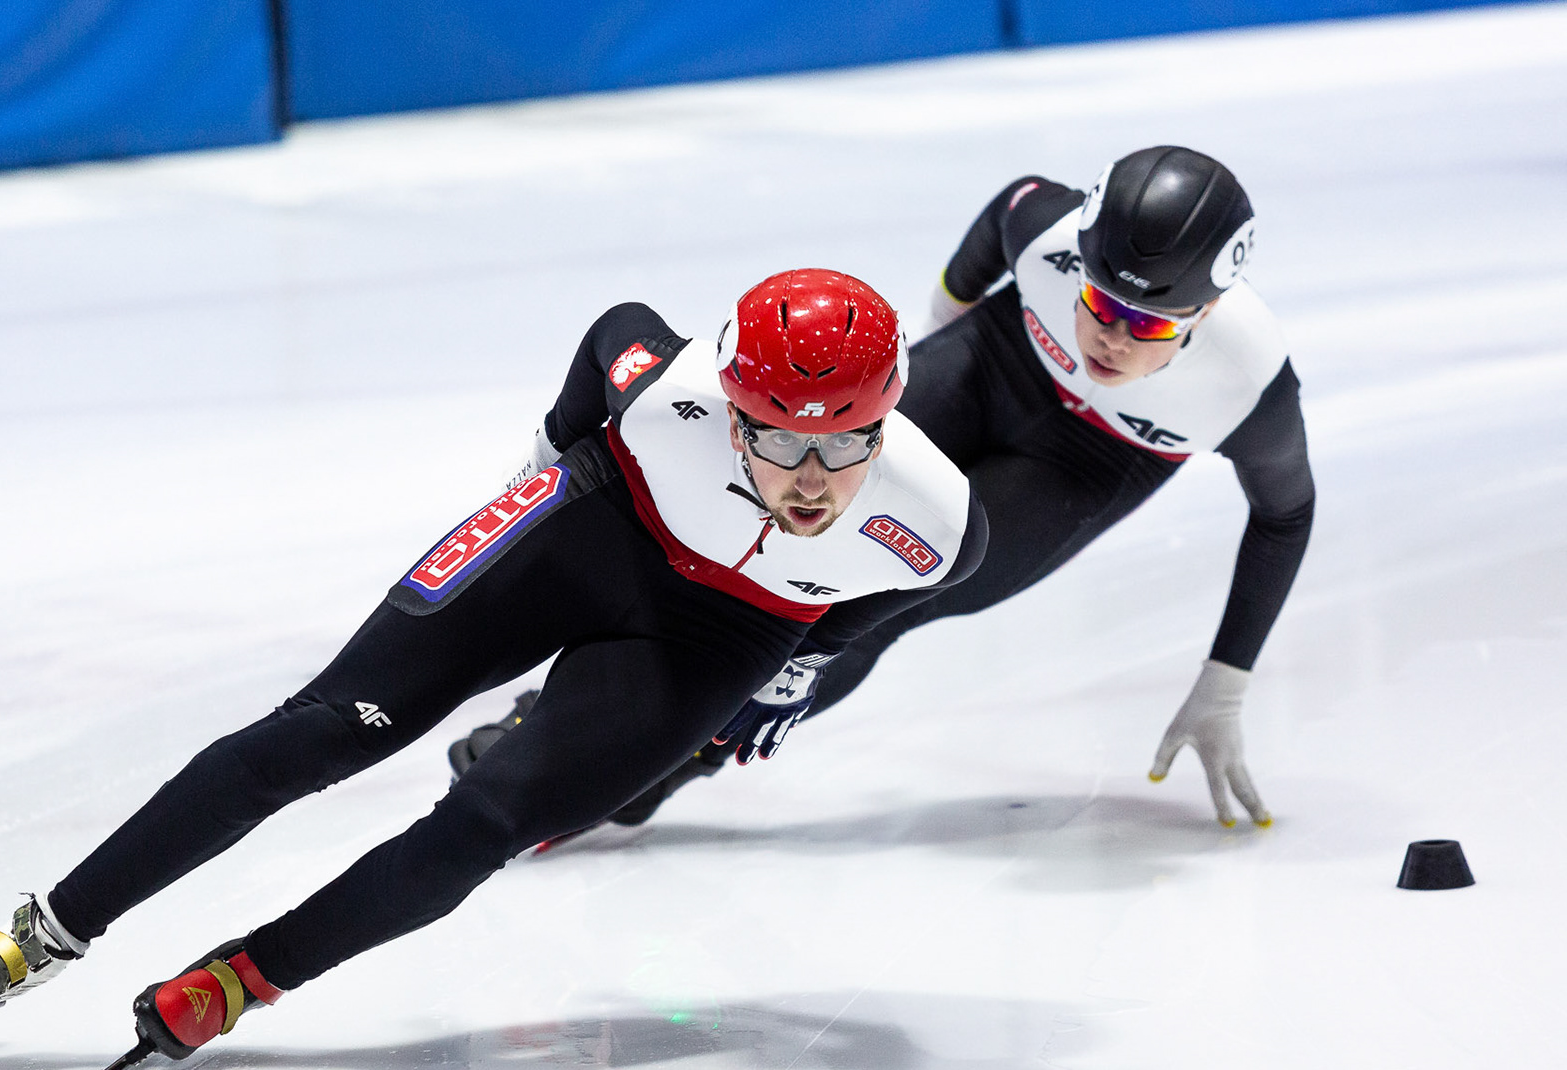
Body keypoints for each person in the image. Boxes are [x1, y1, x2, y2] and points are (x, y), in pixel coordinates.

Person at [0, 269, 987, 1070]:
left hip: (721, 632)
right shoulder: (667, 389)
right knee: (318, 733)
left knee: (481, 828)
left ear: (885, 420)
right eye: (777, 438)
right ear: (730, 408)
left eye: (847, 442)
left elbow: (897, 591)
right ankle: (44, 933)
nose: (811, 476)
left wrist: (800, 660)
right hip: (593, 525)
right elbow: (615, 327)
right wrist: (546, 460)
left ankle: (249, 976)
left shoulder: (935, 520)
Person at [467, 145, 1313, 832]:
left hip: (1090, 462)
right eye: (1098, 301)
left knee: (874, 603)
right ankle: (568, 707)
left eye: (1148, 324)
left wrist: (1226, 680)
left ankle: (652, 765)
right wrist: (943, 336)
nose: (1110, 337)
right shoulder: (1051, 230)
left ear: (1207, 312)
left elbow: (1285, 515)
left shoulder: (1248, 381)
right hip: (993, 364)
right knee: (768, 516)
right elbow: (1006, 211)